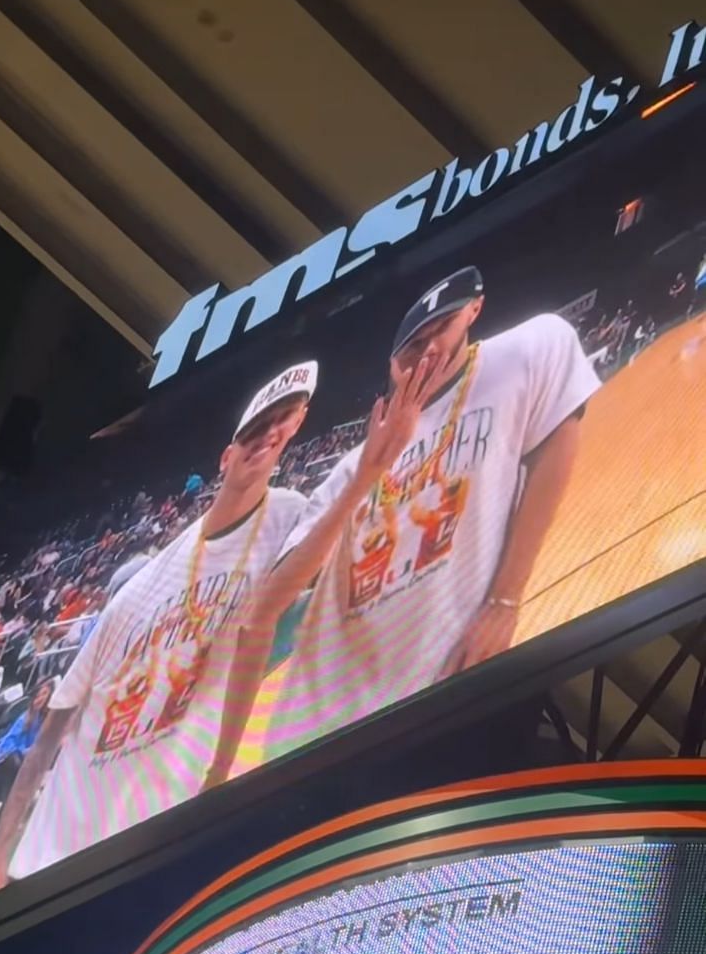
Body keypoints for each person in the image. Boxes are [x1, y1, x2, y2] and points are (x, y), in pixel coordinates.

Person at [205, 267, 600, 782]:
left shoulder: (526, 350)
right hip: (320, 739)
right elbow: (267, 607)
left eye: (440, 328)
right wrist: (367, 472)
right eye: (411, 347)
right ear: (393, 365)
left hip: (449, 700)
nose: (427, 351)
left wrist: (506, 599)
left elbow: (557, 444)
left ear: (473, 311)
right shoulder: (349, 468)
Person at [0, 363, 320, 896]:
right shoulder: (133, 593)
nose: (267, 436)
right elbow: (46, 742)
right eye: (253, 428)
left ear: (293, 430)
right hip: (48, 862)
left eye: (281, 424)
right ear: (225, 457)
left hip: (156, 842)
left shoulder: (288, 516)